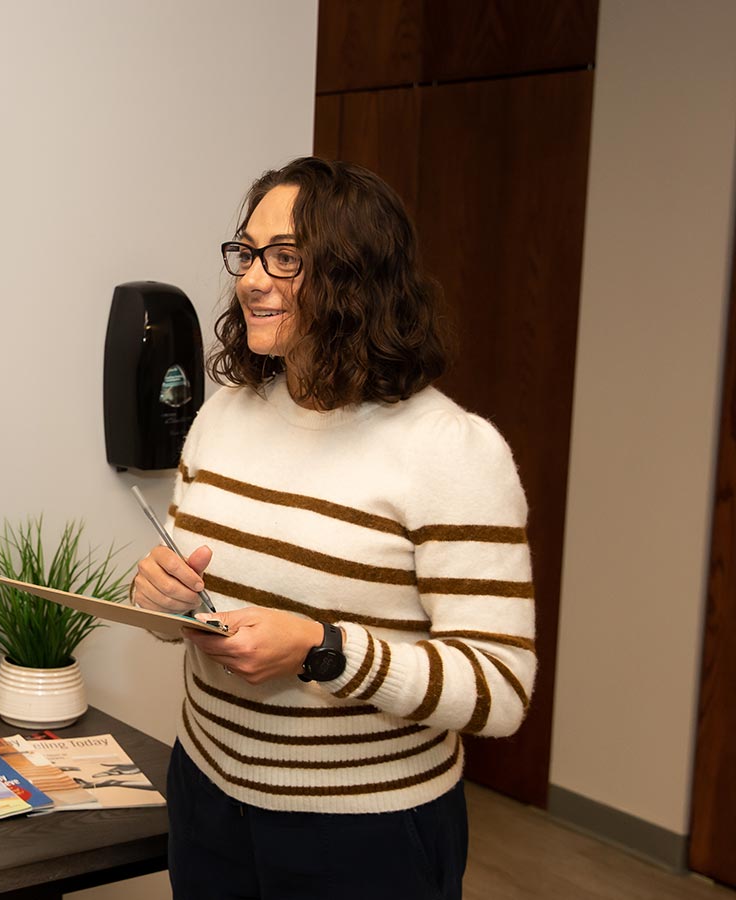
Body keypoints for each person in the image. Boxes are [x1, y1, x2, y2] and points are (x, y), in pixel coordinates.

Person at [131, 157, 535, 900]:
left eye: (286, 258)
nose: (252, 278)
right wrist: (161, 598)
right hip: (208, 796)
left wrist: (324, 651)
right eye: (247, 253)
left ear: (359, 277)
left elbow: (500, 690)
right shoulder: (222, 416)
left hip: (363, 835)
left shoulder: (450, 449)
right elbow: (197, 605)